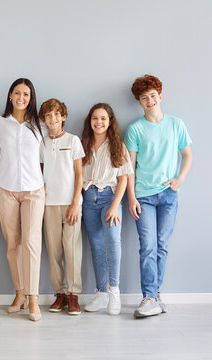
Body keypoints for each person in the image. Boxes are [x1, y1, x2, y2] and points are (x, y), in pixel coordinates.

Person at [125, 74, 193, 318]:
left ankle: (156, 294)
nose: (149, 100)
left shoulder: (176, 124)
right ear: (139, 102)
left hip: (168, 196)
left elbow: (188, 155)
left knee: (162, 246)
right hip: (143, 197)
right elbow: (129, 167)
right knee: (148, 246)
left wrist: (179, 180)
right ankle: (148, 297)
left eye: (153, 96)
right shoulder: (134, 129)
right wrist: (131, 198)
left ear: (160, 96)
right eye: (144, 98)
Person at [0, 78, 46, 321]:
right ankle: (20, 293)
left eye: (25, 94)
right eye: (17, 93)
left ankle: (34, 299)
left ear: (31, 98)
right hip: (6, 190)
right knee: (13, 244)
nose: (21, 98)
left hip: (34, 190)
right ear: (10, 96)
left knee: (32, 243)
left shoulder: (41, 125)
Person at [81, 103, 133, 315]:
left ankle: (114, 292)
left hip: (109, 197)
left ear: (110, 121)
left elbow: (123, 179)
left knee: (113, 243)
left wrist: (114, 206)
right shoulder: (83, 144)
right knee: (96, 245)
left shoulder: (117, 146)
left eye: (103, 118)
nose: (99, 122)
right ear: (90, 121)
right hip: (88, 198)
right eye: (95, 118)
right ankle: (101, 293)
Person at [39, 99, 84, 315]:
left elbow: (80, 175)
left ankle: (74, 294)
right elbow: (39, 172)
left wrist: (75, 203)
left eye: (56, 114)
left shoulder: (73, 141)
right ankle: (60, 293)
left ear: (63, 116)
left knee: (72, 248)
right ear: (44, 119)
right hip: (49, 203)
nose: (52, 118)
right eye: (48, 115)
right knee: (54, 250)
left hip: (70, 203)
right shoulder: (42, 143)